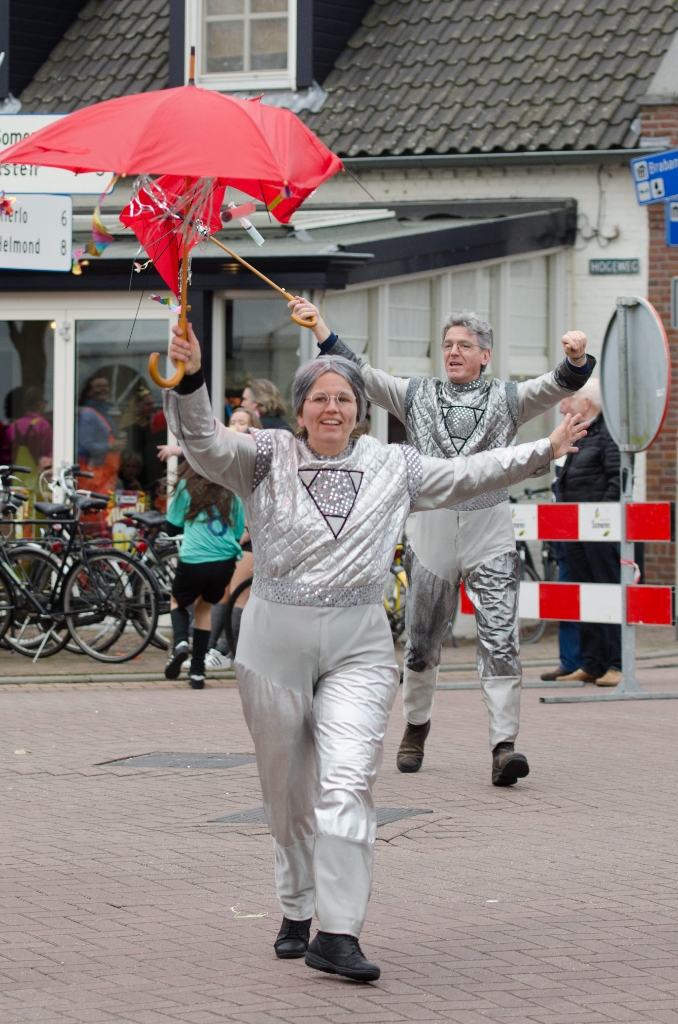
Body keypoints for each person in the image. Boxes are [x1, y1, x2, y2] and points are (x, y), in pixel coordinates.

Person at [163, 320, 587, 981]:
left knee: (349, 782)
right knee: (287, 793)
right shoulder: (265, 455)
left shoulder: (394, 465)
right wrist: (189, 379)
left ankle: (338, 932)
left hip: (360, 646)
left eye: (345, 399)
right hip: (274, 643)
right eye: (319, 398)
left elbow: (468, 472)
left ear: (360, 411)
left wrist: (547, 447)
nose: (332, 408)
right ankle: (296, 906)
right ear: (301, 410)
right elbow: (201, 442)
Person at [288, 296, 595, 785]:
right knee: (423, 637)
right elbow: (361, 375)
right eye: (448, 344)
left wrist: (576, 357)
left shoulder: (508, 398)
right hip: (430, 528)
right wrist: (321, 325)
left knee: (500, 636)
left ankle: (504, 745)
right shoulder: (416, 394)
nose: (453, 352)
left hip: (490, 527)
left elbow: (558, 383)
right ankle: (415, 725)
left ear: (485, 355)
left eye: (464, 345)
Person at [553, 379, 622, 686]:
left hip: (598, 529)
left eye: (578, 396)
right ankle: (592, 663)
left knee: (607, 593)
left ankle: (616, 664)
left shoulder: (607, 434)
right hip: (574, 528)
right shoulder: (583, 432)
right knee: (585, 595)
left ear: (588, 403)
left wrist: (602, 518)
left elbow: (616, 478)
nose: (574, 401)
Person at [163, 462, 245, 689]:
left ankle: (180, 643)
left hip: (194, 559)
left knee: (177, 601)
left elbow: (172, 527)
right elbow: (238, 531)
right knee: (204, 608)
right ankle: (197, 672)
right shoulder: (230, 490)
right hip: (225, 561)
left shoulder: (186, 487)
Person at [205, 405, 260, 668]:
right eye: (233, 421)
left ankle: (225, 652)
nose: (236, 425)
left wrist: (249, 529)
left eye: (242, 421)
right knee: (222, 593)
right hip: (231, 538)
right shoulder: (226, 456)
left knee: (240, 593)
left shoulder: (258, 458)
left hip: (253, 540)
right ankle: (208, 649)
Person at [541, 393, 581, 682]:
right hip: (562, 531)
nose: (562, 407)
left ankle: (590, 661)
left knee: (583, 595)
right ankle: (569, 660)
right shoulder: (560, 441)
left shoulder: (593, 440)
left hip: (582, 533)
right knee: (565, 595)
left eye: (568, 401)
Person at [77, 375, 124, 494]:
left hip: (106, 475)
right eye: (99, 386)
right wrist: (111, 447)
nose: (104, 389)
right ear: (88, 392)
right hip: (94, 477)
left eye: (106, 386)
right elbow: (85, 447)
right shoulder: (88, 414)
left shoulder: (102, 413)